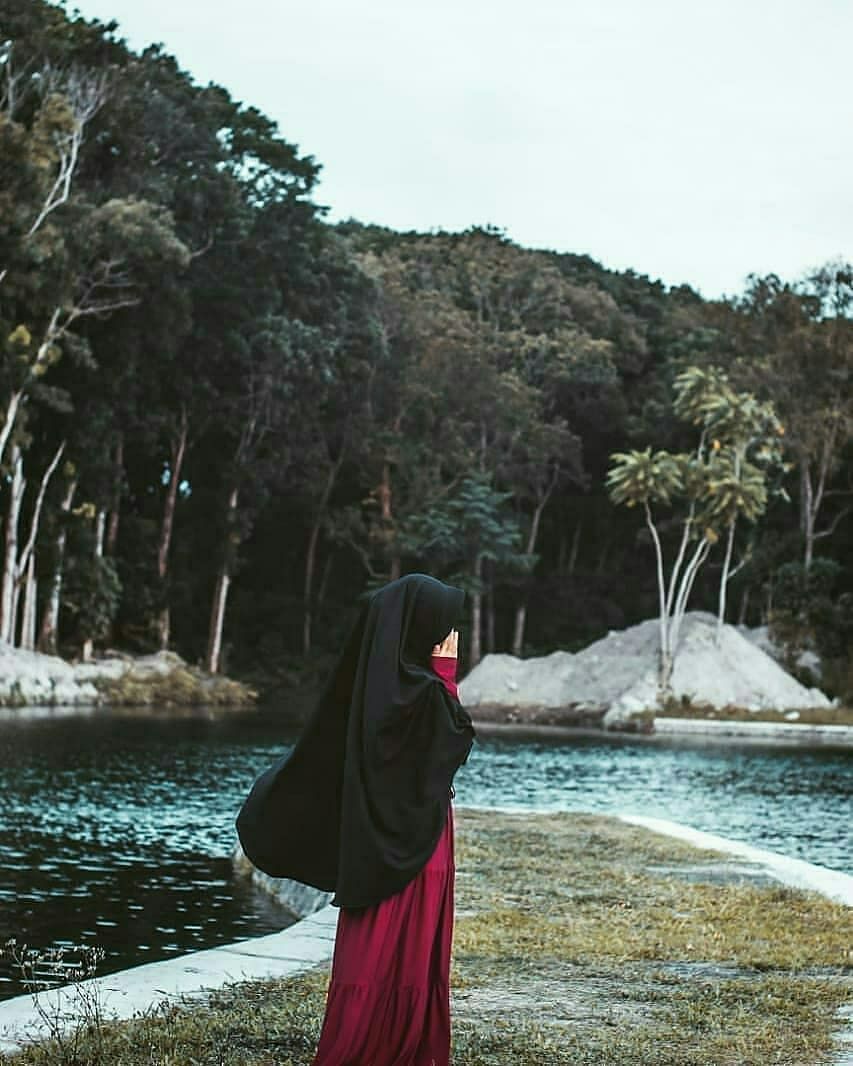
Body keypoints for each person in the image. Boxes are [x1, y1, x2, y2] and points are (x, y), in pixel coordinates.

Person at [235, 572, 475, 1066]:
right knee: (387, 944)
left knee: (408, 945)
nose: (451, 636)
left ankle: (399, 1043)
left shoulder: (383, 691)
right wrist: (447, 675)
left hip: (400, 835)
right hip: (408, 841)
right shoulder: (419, 693)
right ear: (420, 628)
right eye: (444, 625)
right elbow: (449, 746)